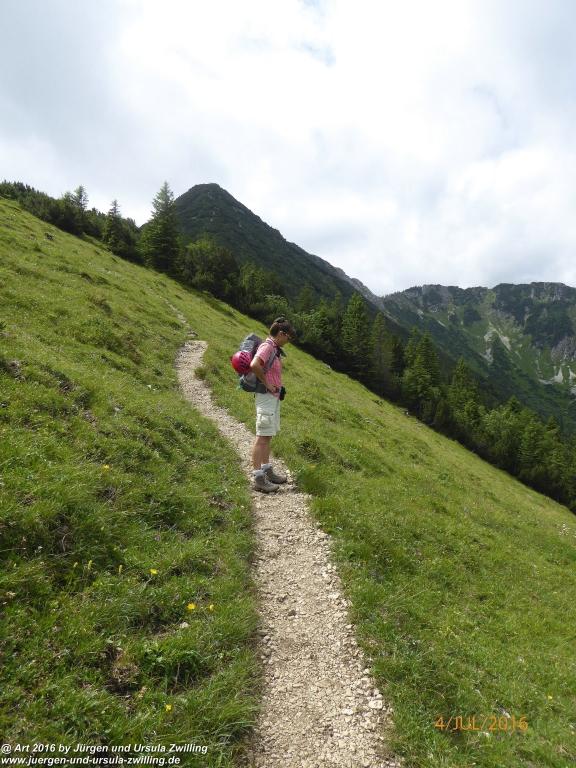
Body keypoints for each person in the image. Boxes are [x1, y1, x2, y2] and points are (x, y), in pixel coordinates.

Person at [250, 317, 295, 493]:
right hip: (265, 397)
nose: (288, 342)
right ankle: (258, 478)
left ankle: (267, 471)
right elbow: (255, 364)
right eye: (288, 338)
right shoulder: (268, 346)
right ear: (281, 334)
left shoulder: (274, 349)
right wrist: (268, 384)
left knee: (267, 436)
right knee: (262, 437)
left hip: (272, 398)